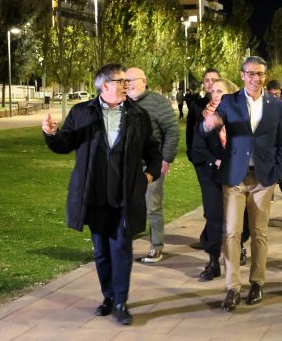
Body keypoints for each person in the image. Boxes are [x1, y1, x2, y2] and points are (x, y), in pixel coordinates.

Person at [42, 63, 162, 325]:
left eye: (127, 81)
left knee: (121, 249)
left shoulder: (138, 115)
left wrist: (149, 176)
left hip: (124, 196)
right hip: (94, 195)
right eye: (121, 81)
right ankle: (108, 296)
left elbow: (153, 150)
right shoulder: (82, 113)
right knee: (102, 252)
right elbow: (65, 144)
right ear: (105, 85)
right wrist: (52, 133)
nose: (127, 85)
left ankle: (120, 302)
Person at [203, 55, 282, 312]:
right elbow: (211, 125)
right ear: (242, 75)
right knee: (232, 232)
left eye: (260, 74)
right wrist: (210, 124)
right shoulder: (229, 101)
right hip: (235, 177)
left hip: (263, 178)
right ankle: (232, 287)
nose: (255, 78)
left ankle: (257, 283)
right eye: (251, 73)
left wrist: (277, 173)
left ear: (265, 76)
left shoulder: (277, 106)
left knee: (259, 232)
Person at [125, 68, 180, 264]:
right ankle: (121, 247)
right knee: (124, 206)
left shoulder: (158, 103)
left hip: (150, 166)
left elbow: (172, 132)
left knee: (153, 207)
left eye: (132, 80)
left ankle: (156, 247)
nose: (128, 83)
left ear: (144, 81)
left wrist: (166, 159)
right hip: (125, 166)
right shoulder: (121, 103)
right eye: (125, 80)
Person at [189, 77, 239, 281]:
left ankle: (238, 249)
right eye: (213, 91)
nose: (215, 95)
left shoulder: (239, 116)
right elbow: (197, 148)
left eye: (220, 91)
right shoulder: (204, 118)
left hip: (236, 174)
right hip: (212, 175)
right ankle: (213, 261)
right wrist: (215, 161)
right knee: (214, 217)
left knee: (238, 218)